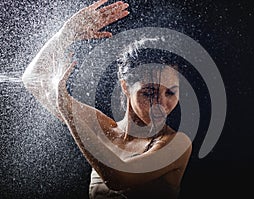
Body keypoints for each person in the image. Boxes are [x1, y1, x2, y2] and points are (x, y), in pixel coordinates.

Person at [22, 0, 192, 198]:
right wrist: (64, 35)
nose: (161, 104)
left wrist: (69, 112)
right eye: (149, 93)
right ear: (125, 87)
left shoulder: (176, 143)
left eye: (171, 92)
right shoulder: (103, 129)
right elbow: (33, 81)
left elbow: (117, 178)